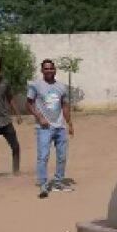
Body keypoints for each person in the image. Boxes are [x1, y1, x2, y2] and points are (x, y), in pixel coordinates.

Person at [26, 59, 74, 198]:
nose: (48, 71)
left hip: (59, 127)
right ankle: (43, 184)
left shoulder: (61, 87)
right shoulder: (35, 85)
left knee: (61, 156)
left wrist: (69, 123)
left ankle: (58, 181)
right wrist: (39, 117)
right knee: (43, 156)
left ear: (55, 70)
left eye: (51, 68)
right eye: (46, 69)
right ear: (42, 71)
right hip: (44, 127)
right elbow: (29, 104)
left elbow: (65, 105)